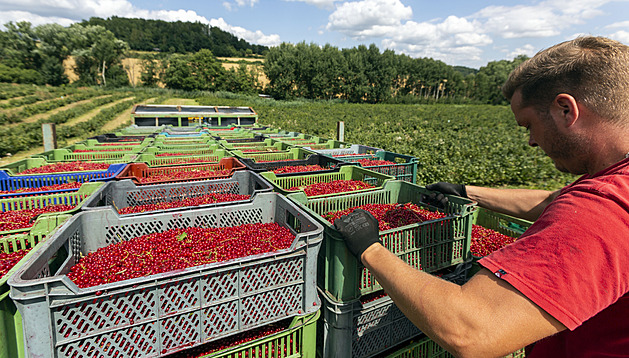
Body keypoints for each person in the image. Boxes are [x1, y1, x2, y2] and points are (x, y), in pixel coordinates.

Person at [333, 36, 629, 358]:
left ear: (564, 109)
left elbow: (472, 330)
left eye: (528, 124)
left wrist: (370, 249)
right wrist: (466, 192)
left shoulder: (601, 212)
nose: (531, 140)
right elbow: (553, 201)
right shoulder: (614, 183)